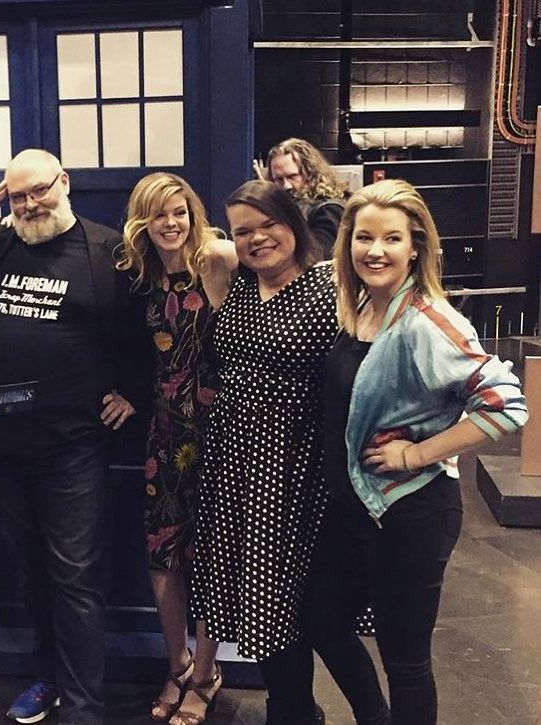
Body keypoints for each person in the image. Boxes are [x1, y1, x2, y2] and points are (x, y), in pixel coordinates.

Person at [303, 178, 528, 725]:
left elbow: (505, 404)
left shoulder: (427, 322)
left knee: (405, 661)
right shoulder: (360, 307)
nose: (375, 251)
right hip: (355, 505)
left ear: (415, 247)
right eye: (364, 237)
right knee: (323, 622)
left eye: (391, 238)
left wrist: (417, 453)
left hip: (411, 511)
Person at [0, 149, 148, 725]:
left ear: (65, 182)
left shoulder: (108, 251)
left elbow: (146, 330)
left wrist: (134, 390)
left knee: (75, 575)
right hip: (2, 445)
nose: (31, 204)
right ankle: (48, 679)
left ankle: (84, 706)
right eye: (19, 195)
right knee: (28, 569)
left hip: (74, 445)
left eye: (40, 190)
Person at [191, 180, 336, 725]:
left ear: (293, 222)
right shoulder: (239, 286)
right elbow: (209, 250)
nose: (256, 239)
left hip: (294, 466)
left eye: (268, 224)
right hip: (234, 463)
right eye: (243, 231)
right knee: (254, 593)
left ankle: (297, 710)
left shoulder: (329, 287)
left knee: (286, 598)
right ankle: (288, 707)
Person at [116, 172, 237, 725]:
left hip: (219, 428)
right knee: (162, 552)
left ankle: (207, 674)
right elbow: (125, 348)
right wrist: (125, 391)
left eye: (179, 211)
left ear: (193, 214)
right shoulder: (139, 277)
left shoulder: (217, 260)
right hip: (165, 430)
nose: (171, 223)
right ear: (143, 221)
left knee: (208, 553)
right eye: (159, 213)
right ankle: (179, 663)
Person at [254, 137, 347, 258]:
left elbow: (317, 256)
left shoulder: (328, 209)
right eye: (279, 179)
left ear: (310, 173)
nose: (286, 186)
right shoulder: (285, 208)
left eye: (292, 177)